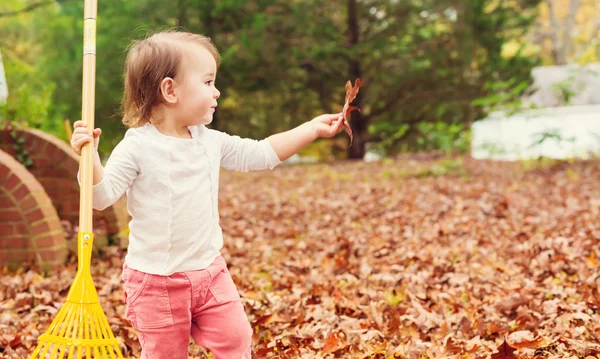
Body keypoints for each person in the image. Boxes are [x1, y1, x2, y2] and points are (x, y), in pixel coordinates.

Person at [69, 30, 344, 359]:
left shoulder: (208, 141)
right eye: (208, 82)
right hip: (157, 284)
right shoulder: (138, 146)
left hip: (210, 274)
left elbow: (260, 154)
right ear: (170, 90)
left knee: (236, 339)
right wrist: (91, 159)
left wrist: (310, 128)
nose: (216, 92)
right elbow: (101, 197)